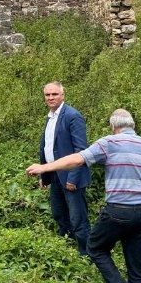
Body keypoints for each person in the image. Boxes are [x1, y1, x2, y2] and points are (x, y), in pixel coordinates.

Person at [27, 108, 141, 283]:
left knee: (95, 248)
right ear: (133, 126)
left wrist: (45, 168)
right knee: (137, 266)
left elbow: (76, 159)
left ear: (112, 126)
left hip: (118, 210)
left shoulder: (109, 142)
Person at [36, 82, 91, 256]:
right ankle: (66, 248)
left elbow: (81, 150)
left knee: (78, 218)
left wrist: (73, 177)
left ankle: (86, 253)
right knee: (59, 214)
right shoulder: (50, 116)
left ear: (62, 95)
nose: (51, 98)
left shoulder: (72, 116)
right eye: (47, 95)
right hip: (55, 176)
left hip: (70, 176)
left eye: (54, 94)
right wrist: (44, 174)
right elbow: (47, 146)